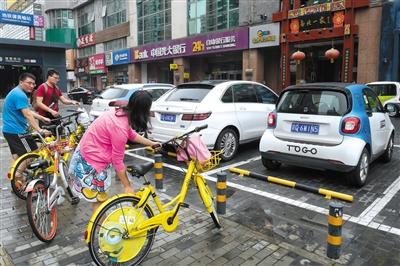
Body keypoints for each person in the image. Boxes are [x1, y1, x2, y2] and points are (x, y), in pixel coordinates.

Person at [68, 90, 160, 211]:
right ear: (142, 111)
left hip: (86, 153)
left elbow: (130, 134)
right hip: (92, 163)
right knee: (99, 202)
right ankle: (97, 229)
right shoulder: (119, 127)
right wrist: (127, 186)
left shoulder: (120, 112)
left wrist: (151, 143)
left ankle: (97, 228)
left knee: (99, 200)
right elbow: (117, 161)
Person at [2, 72, 51, 161]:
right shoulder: (20, 95)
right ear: (21, 82)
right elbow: (27, 115)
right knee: (33, 152)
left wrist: (42, 118)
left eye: (33, 84)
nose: (32, 86)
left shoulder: (16, 92)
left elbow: (27, 111)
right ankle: (18, 174)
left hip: (9, 131)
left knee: (17, 155)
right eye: (29, 83)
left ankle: (17, 172)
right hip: (17, 131)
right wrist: (39, 130)